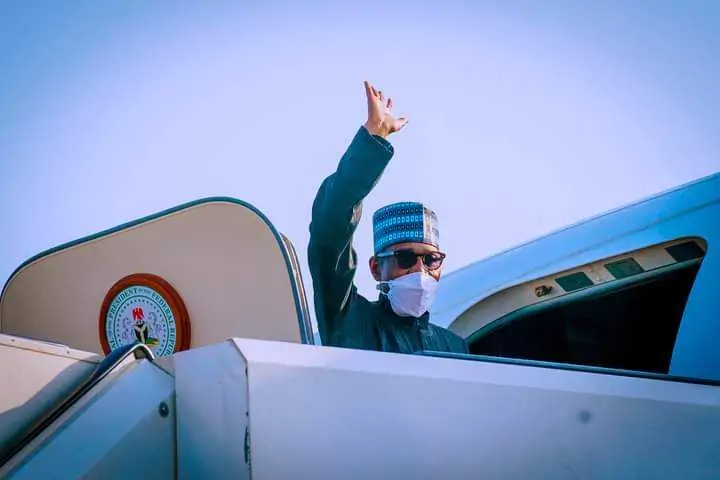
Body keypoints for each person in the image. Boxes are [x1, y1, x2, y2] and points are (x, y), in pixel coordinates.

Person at [307, 80, 468, 355]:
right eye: (405, 258)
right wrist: (373, 141)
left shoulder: (455, 347)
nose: (419, 271)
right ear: (375, 268)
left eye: (431, 259)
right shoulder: (351, 322)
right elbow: (329, 233)